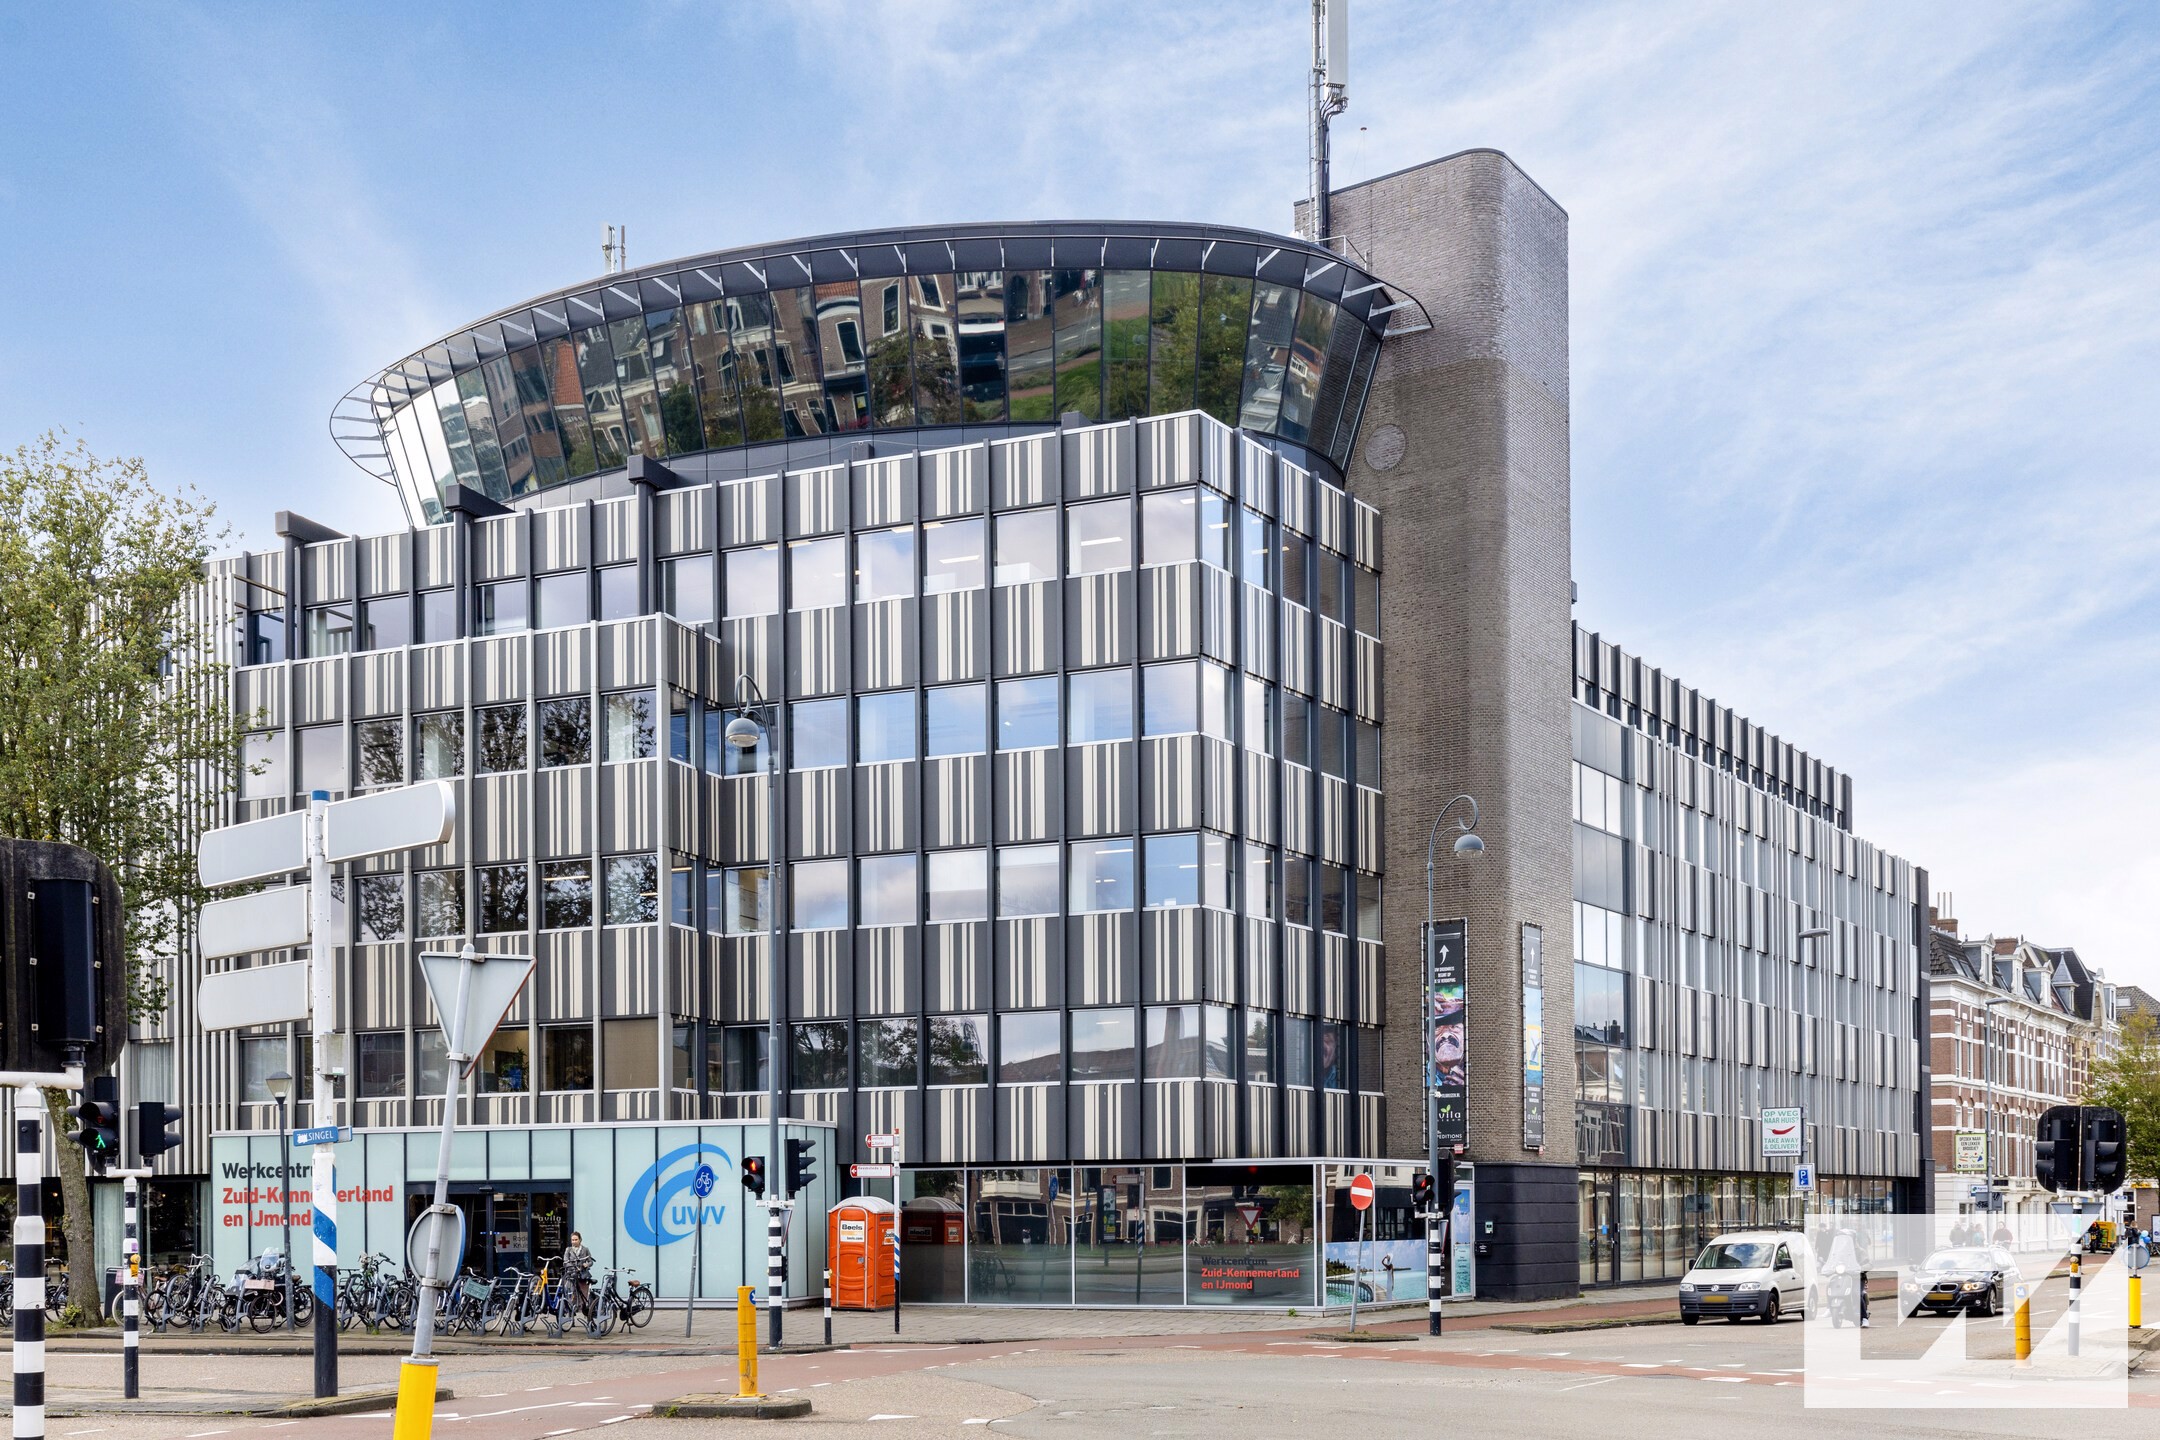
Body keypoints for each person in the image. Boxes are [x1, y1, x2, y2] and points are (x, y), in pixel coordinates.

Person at [562, 1230, 595, 1320]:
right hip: (571, 1275)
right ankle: (571, 1316)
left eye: (576, 1239)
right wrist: (573, 1267)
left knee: (584, 1295)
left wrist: (586, 1264)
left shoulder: (585, 1249)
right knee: (571, 1295)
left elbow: (591, 1261)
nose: (574, 1241)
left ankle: (586, 1312)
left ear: (580, 1240)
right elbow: (565, 1261)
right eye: (572, 1240)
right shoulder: (568, 1250)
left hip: (582, 1275)